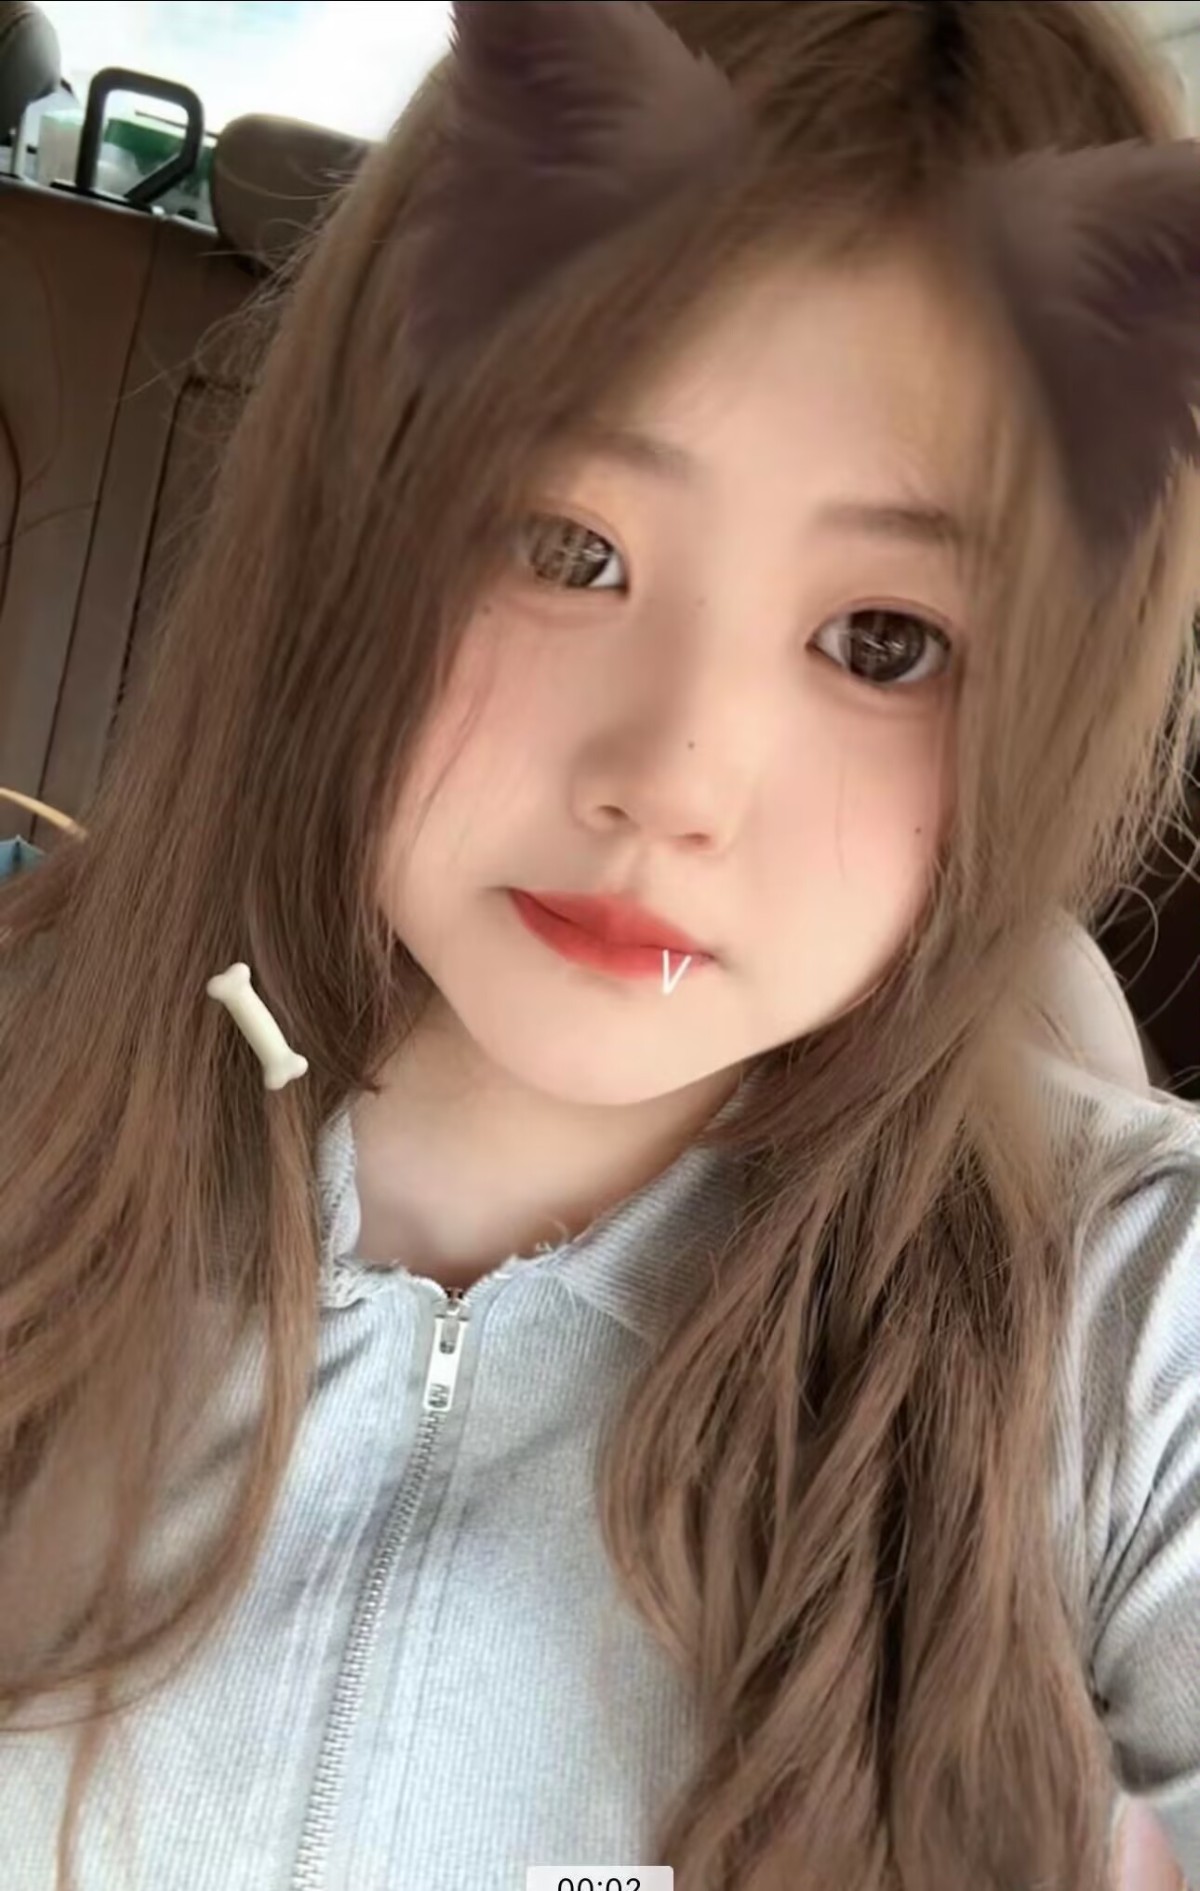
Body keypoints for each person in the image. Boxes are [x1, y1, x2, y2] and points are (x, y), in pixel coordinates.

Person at [0, 3, 1198, 1888]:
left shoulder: (1132, 1325)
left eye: (885, 643)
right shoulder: (33, 1091)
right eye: (567, 549)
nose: (674, 782)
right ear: (355, 520)